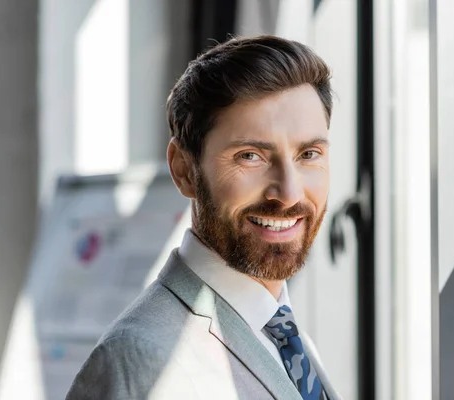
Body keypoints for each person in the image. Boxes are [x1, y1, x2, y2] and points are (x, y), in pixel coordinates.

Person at [66, 35, 340, 400]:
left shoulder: (284, 334)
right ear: (184, 170)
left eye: (308, 154)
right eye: (250, 156)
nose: (289, 193)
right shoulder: (141, 361)